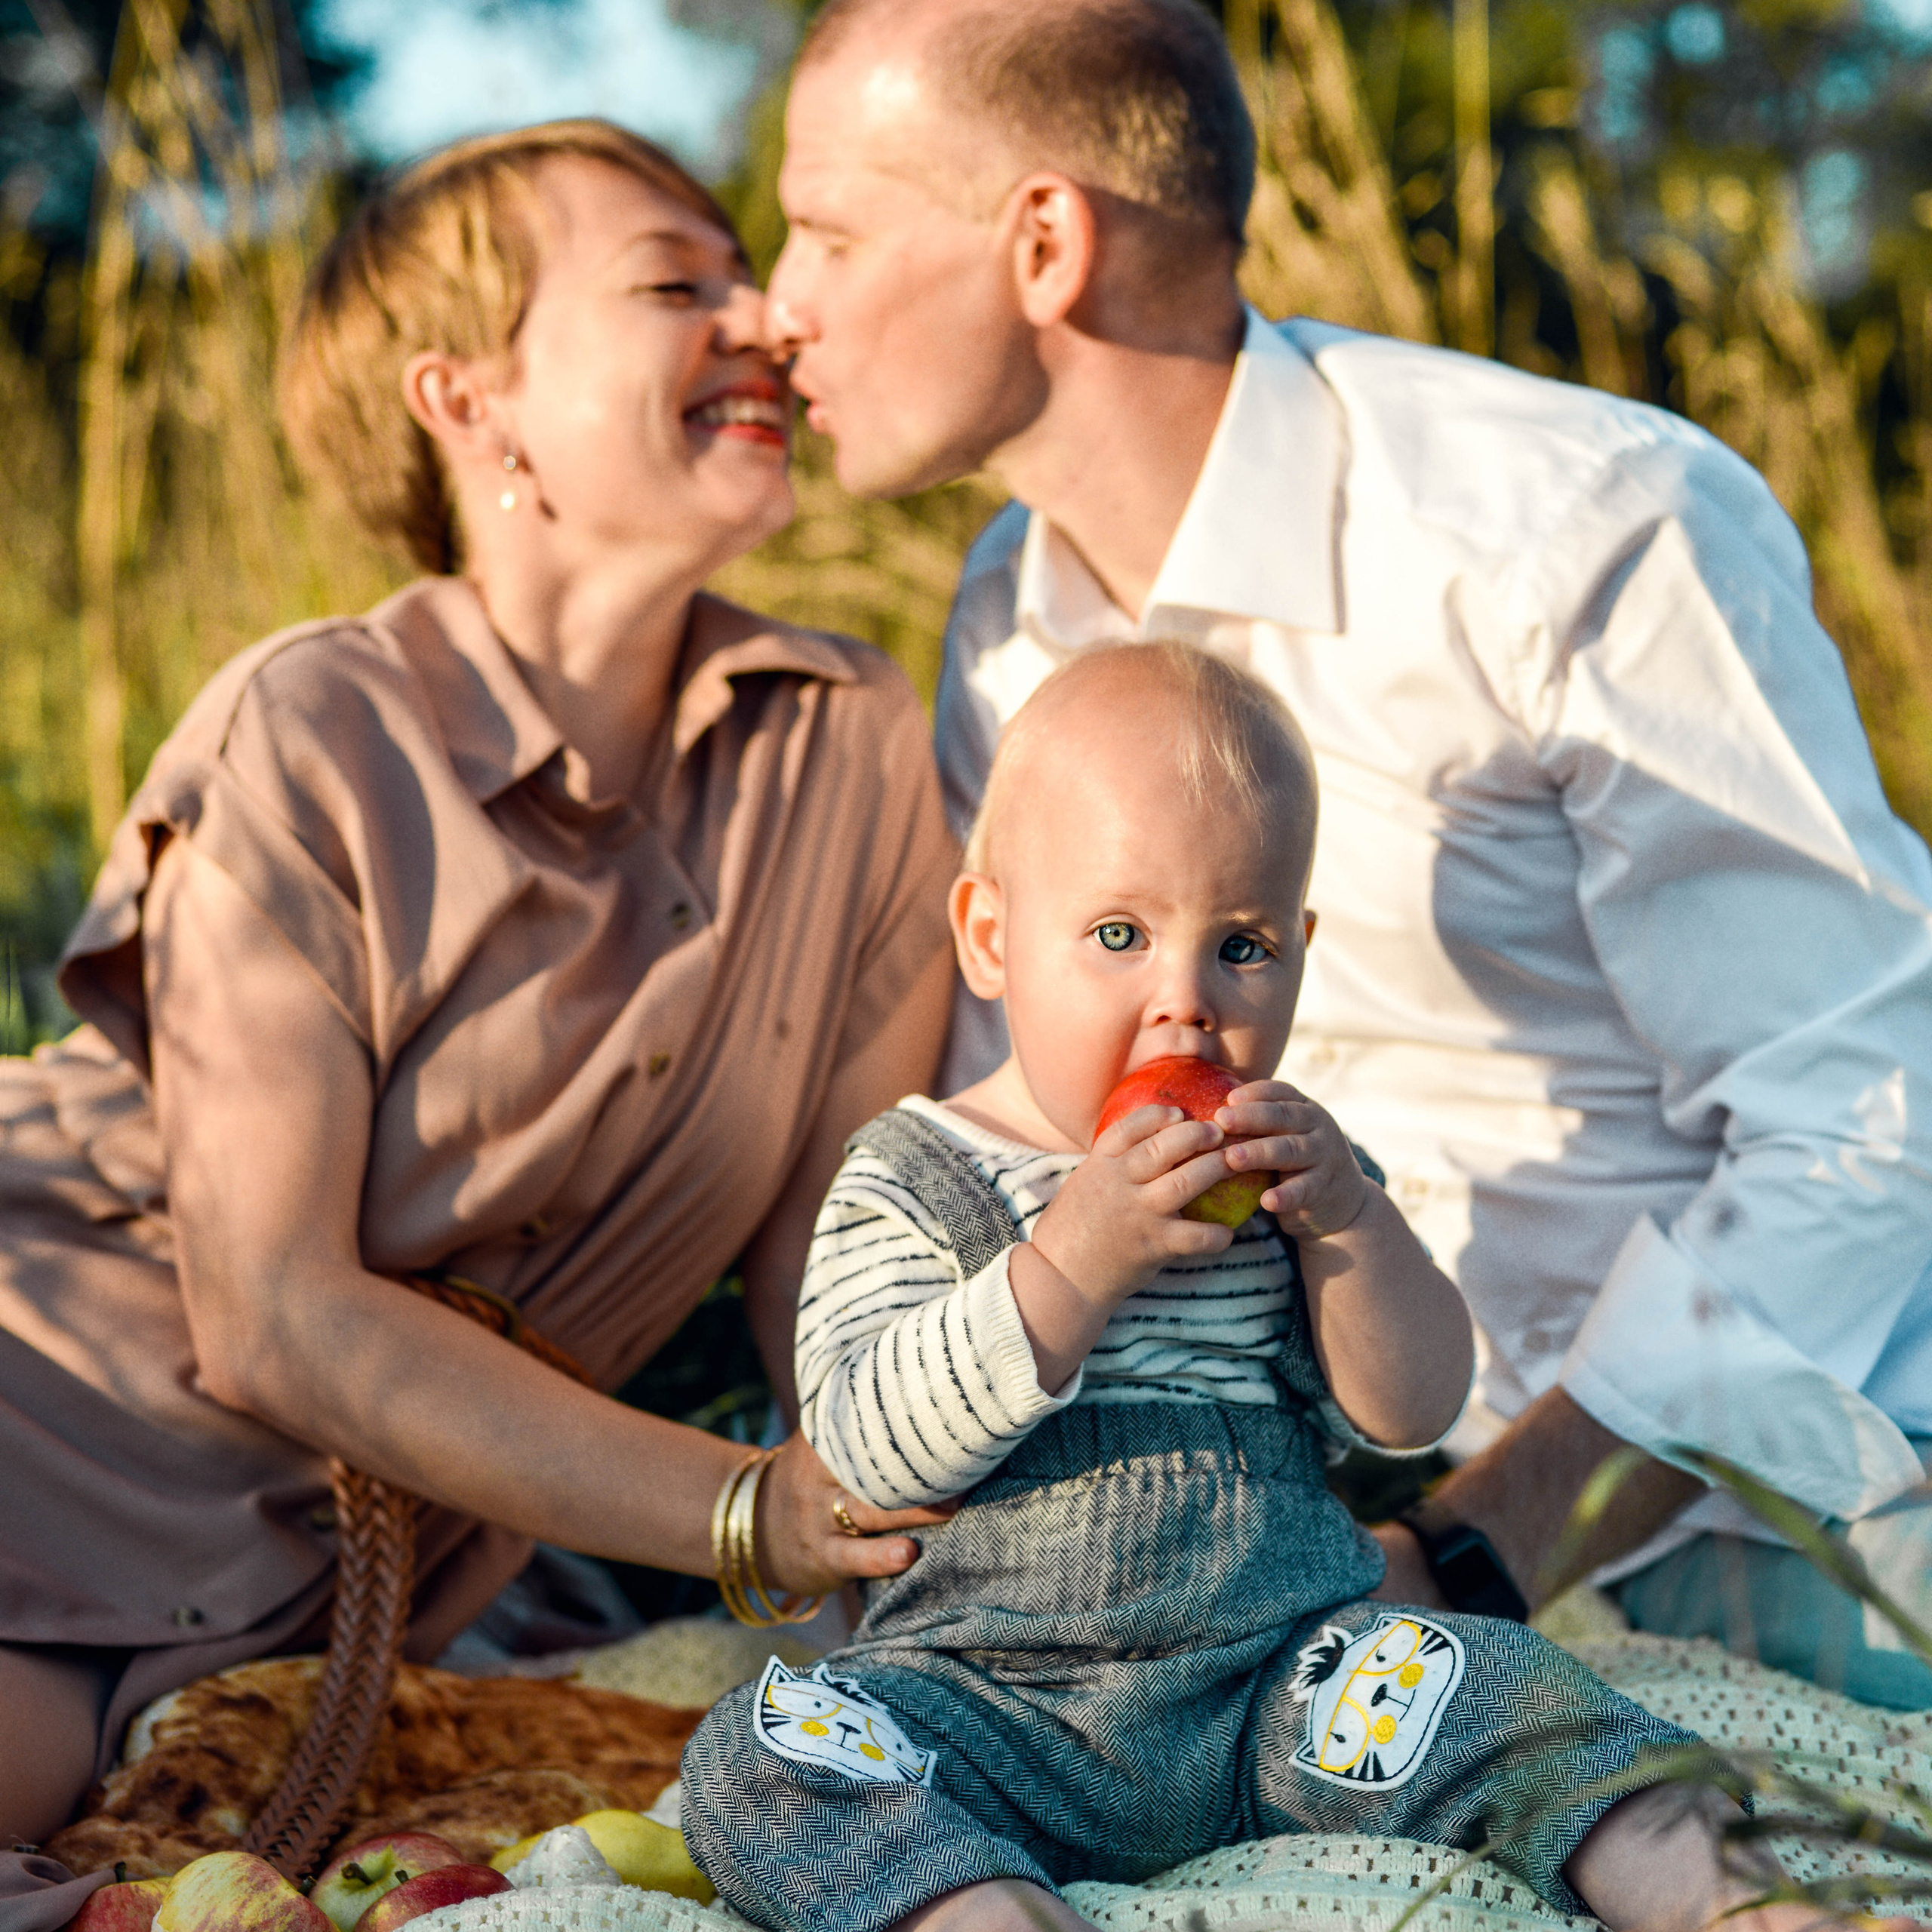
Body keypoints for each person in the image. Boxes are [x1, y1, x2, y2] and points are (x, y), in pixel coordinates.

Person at [761, 0, 1932, 1704]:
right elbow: (1009, 1113)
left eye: (829, 231)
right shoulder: (1010, 619)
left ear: (1041, 241)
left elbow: (1870, 1105)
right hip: (1252, 1528)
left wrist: (1473, 1543)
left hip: (1737, 1513)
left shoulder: (1568, 520)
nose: (773, 303)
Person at [0, 118, 960, 1920]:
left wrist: (919, 1563)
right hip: (49, 1412)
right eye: (676, 282)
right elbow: (273, 1309)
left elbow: (835, 1274)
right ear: (470, 398)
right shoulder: (310, 731)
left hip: (350, 1577)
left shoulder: (850, 746)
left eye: (741, 271)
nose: (762, 316)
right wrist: (749, 1511)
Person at [678, 644, 1902, 1932]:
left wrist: (1350, 1225)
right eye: (1116, 935)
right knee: (764, 1757)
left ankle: (1743, 1903)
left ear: (1301, 951)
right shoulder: (914, 1174)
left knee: (1507, 1689)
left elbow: (1414, 1406)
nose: (1185, 1005)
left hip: (1288, 1693)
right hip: (989, 1709)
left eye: (1242, 947)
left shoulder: (1290, 1180)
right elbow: (868, 1445)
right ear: (991, 938)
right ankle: (984, 1913)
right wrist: (1067, 1265)